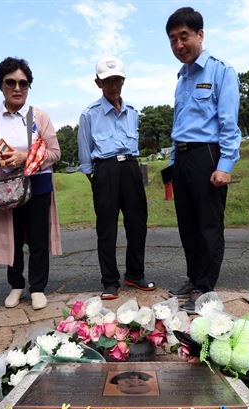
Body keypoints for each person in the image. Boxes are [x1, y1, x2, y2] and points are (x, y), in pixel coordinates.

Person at [164, 8, 242, 313]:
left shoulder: (221, 72)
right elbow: (179, 125)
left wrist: (225, 166)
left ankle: (205, 289)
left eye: (184, 36)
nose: (179, 45)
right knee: (188, 225)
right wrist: (172, 165)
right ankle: (194, 279)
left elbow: (229, 125)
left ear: (200, 35)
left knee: (209, 225)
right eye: (173, 40)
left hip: (207, 156)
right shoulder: (182, 78)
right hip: (182, 158)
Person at [0, 57, 62, 310]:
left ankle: (38, 288)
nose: (17, 88)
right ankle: (16, 285)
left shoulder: (40, 116)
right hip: (7, 187)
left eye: (23, 83)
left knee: (38, 237)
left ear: (29, 86)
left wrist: (26, 157)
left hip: (38, 183)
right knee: (12, 236)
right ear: (1, 85)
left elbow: (55, 153)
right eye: (10, 82)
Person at [77, 56, 155, 300]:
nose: (113, 85)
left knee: (137, 223)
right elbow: (84, 153)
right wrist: (96, 177)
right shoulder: (89, 114)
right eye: (108, 81)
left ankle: (135, 273)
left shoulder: (133, 112)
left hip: (131, 168)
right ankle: (110, 281)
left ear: (123, 80)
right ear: (98, 83)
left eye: (118, 80)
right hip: (105, 170)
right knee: (107, 228)